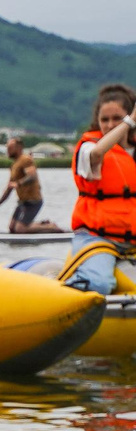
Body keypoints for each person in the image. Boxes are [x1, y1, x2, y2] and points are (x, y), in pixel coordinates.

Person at [62, 84, 136, 295]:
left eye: (117, 118)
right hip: (97, 237)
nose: (110, 125)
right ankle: (75, 288)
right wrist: (130, 121)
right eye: (105, 120)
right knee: (100, 284)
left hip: (132, 237)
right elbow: (96, 155)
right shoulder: (89, 147)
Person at [0, 135, 61, 233]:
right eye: (7, 148)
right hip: (22, 202)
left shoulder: (26, 160)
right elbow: (9, 189)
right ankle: (42, 224)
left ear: (19, 148)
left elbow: (32, 176)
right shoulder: (14, 165)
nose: (8, 150)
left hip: (33, 201)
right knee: (12, 228)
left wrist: (18, 183)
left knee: (20, 229)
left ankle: (51, 227)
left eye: (10, 148)